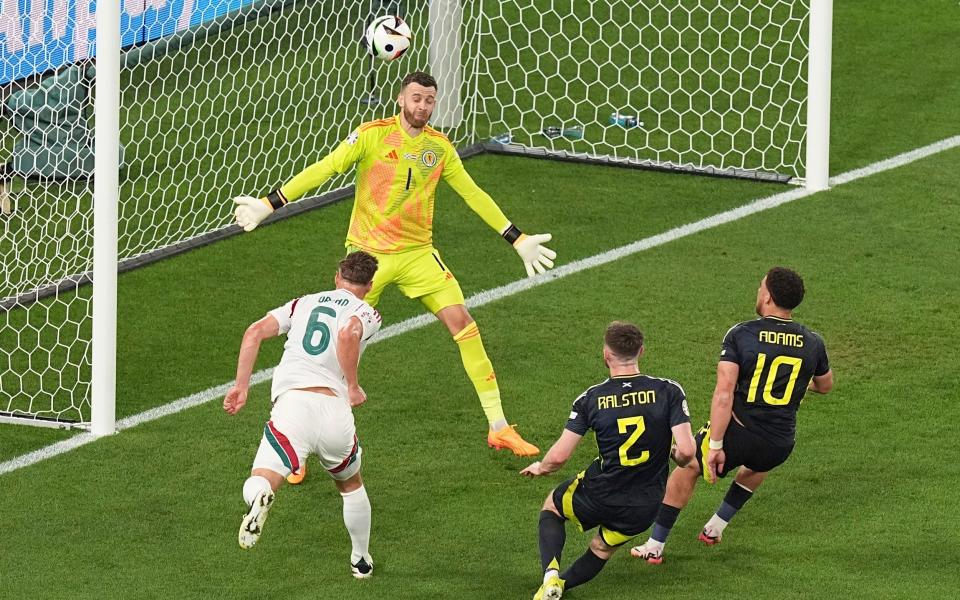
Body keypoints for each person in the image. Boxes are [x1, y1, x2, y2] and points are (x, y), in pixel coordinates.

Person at [233, 71, 555, 479]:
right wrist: (269, 203)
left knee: (465, 326)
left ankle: (498, 426)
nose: (422, 106)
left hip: (419, 254)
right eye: (416, 98)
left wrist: (515, 237)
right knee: (336, 343)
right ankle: (298, 445)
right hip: (369, 258)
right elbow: (326, 167)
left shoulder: (439, 148)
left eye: (429, 100)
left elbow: (472, 193)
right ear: (401, 99)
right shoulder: (370, 135)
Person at [630, 267, 833, 564]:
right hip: (780, 443)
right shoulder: (813, 341)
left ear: (768, 296)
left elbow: (724, 394)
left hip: (739, 431)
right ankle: (716, 527)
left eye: (760, 286)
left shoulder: (742, 334)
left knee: (687, 467)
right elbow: (825, 385)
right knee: (757, 465)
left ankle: (655, 544)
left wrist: (715, 445)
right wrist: (798, 384)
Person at [223, 251, 382, 579]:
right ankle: (361, 560)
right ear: (369, 285)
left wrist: (241, 386)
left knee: (262, 478)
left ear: (337, 277)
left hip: (293, 406)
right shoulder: (368, 312)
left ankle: (261, 497)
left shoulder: (302, 303)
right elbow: (348, 333)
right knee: (350, 484)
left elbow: (254, 332)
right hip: (334, 411)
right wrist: (352, 386)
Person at [520, 322, 695, 599]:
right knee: (601, 548)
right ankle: (561, 586)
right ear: (642, 351)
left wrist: (540, 468)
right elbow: (686, 452)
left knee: (553, 507)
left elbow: (559, 457)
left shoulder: (591, 398)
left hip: (600, 492)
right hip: (645, 504)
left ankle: (551, 576)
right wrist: (673, 455)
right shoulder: (669, 391)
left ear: (606, 355)